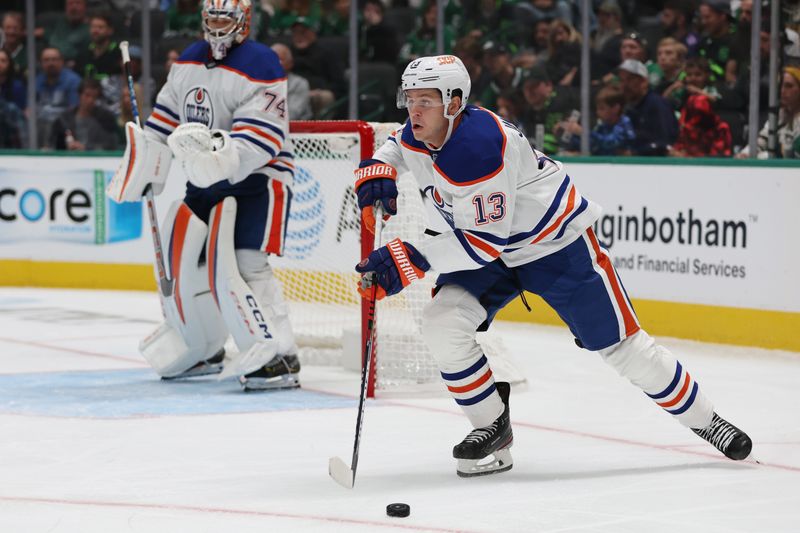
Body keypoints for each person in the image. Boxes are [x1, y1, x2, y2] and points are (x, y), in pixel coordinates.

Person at [352, 54, 752, 478]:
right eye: (409, 98)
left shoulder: (479, 147)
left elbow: (482, 244)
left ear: (454, 103)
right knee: (441, 322)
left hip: (554, 247)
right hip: (490, 250)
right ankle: (492, 428)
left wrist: (408, 258)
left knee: (623, 350)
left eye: (426, 100)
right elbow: (398, 141)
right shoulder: (424, 128)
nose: (414, 110)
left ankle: (708, 421)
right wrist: (381, 166)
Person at [106, 0, 300, 391]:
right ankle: (204, 344)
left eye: (224, 18)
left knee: (247, 263)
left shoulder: (262, 63)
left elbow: (262, 137)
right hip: (205, 180)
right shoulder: (189, 60)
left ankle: (281, 353)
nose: (216, 25)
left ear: (243, 21)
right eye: (210, 18)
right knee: (188, 263)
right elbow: (164, 120)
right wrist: (146, 161)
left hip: (259, 178)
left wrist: (218, 158)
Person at [618, 58, 678, 156]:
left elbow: (665, 142)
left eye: (630, 79)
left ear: (644, 82)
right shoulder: (627, 108)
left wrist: (635, 153)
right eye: (622, 80)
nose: (624, 85)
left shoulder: (657, 104)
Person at [35, 47, 82, 149]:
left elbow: (74, 110)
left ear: (62, 61)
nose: (50, 63)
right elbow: (30, 108)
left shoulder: (73, 81)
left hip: (64, 128)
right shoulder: (36, 81)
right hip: (40, 126)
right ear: (41, 63)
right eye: (46, 60)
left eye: (54, 59)